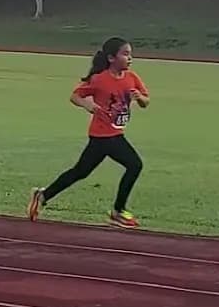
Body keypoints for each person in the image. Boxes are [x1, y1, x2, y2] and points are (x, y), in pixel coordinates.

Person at [27, 36, 149, 228]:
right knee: (135, 165)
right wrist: (88, 105)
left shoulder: (132, 78)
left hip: (111, 134)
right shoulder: (100, 79)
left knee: (80, 172)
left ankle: (43, 195)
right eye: (125, 54)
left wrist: (139, 97)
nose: (129, 58)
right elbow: (75, 96)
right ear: (111, 58)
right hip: (104, 134)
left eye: (130, 54)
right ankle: (118, 211)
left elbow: (146, 103)